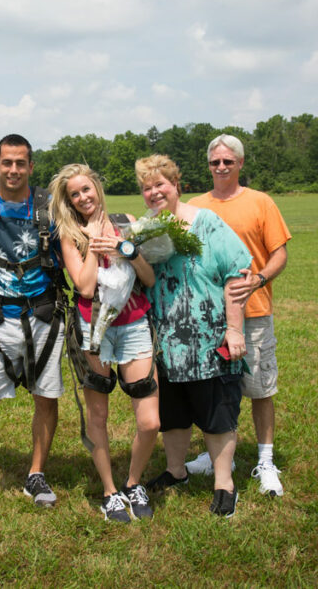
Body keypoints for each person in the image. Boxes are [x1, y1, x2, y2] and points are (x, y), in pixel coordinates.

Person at [135, 154, 252, 517]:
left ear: (176, 185)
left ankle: (224, 484)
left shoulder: (207, 223)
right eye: (147, 187)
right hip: (164, 341)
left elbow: (237, 272)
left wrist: (234, 329)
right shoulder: (147, 229)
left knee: (217, 414)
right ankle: (176, 471)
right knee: (173, 414)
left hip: (208, 338)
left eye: (160, 184)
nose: (154, 192)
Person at [0, 134, 67, 507]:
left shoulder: (51, 207)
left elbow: (78, 246)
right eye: (7, 162)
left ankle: (36, 474)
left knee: (46, 397)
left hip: (44, 314)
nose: (14, 169)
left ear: (31, 167)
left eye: (21, 163)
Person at [49, 163, 160, 523]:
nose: (83, 198)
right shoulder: (69, 235)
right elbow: (83, 286)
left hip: (134, 325)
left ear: (97, 187)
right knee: (98, 414)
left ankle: (133, 482)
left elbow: (149, 277)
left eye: (86, 189)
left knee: (149, 421)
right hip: (93, 329)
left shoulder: (127, 221)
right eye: (74, 195)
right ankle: (110, 491)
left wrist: (124, 246)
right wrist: (97, 246)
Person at [186, 134, 291, 497]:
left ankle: (265, 460)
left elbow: (279, 254)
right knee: (213, 390)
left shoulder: (260, 203)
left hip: (254, 313)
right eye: (215, 162)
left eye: (228, 161)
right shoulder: (195, 206)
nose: (221, 167)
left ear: (240, 164)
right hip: (207, 318)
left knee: (259, 389)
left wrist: (259, 280)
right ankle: (219, 457)